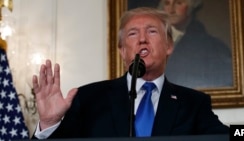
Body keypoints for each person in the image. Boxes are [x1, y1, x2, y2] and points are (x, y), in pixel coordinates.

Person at [32, 7, 229, 139]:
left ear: (169, 45)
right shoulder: (89, 99)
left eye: (152, 31)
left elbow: (228, 137)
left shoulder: (193, 104)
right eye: (133, 33)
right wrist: (49, 124)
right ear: (122, 50)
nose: (142, 39)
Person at [158, 0, 233, 89]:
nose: (171, 10)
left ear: (191, 7)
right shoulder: (154, 43)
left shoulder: (213, 47)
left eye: (178, 3)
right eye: (167, 3)